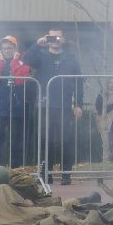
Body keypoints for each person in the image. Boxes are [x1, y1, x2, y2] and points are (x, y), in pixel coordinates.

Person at [23, 29, 83, 184]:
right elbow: (26, 60)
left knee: (66, 141)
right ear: (47, 38)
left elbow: (78, 83)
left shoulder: (71, 58)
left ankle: (65, 175)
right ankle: (45, 174)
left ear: (64, 39)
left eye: (59, 36)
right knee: (44, 141)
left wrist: (78, 104)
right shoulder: (40, 55)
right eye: (52, 37)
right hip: (44, 105)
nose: (56, 40)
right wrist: (37, 44)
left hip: (64, 106)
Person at [0, 36, 32, 168]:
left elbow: (20, 80)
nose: (7, 51)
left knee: (16, 140)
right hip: (0, 107)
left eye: (10, 48)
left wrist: (15, 60)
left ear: (15, 49)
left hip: (18, 107)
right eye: (4, 48)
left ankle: (16, 169)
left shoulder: (23, 61)